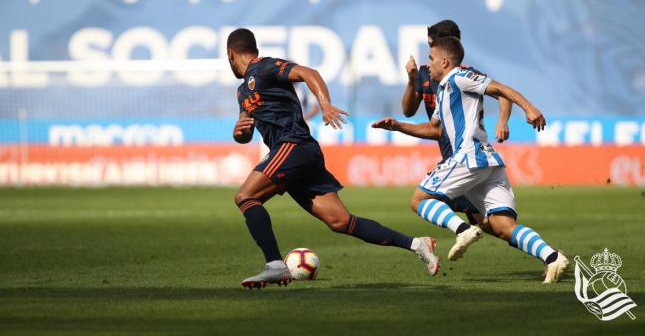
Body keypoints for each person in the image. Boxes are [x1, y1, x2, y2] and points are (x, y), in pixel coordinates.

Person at [227, 28, 440, 289]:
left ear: (230, 54)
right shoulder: (242, 93)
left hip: (293, 145)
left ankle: (274, 266)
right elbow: (245, 132)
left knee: (245, 197)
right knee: (341, 222)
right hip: (296, 156)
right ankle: (418, 244)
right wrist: (241, 133)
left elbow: (309, 73)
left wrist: (325, 104)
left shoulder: (264, 67)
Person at [373, 36, 570, 283]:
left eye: (431, 59)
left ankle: (463, 230)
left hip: (468, 155)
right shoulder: (444, 90)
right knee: (501, 226)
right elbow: (436, 130)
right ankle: (553, 258)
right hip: (487, 163)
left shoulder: (459, 77)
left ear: (445, 61)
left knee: (419, 200)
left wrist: (528, 108)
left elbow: (500, 89)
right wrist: (399, 126)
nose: (428, 64)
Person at [401, 20, 512, 260]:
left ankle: (464, 232)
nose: (429, 53)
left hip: (465, 156)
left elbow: (503, 94)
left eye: (431, 45)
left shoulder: (464, 74)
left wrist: (502, 120)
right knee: (485, 222)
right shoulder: (424, 73)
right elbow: (409, 111)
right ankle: (546, 253)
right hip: (452, 156)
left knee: (424, 201)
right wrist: (411, 80)